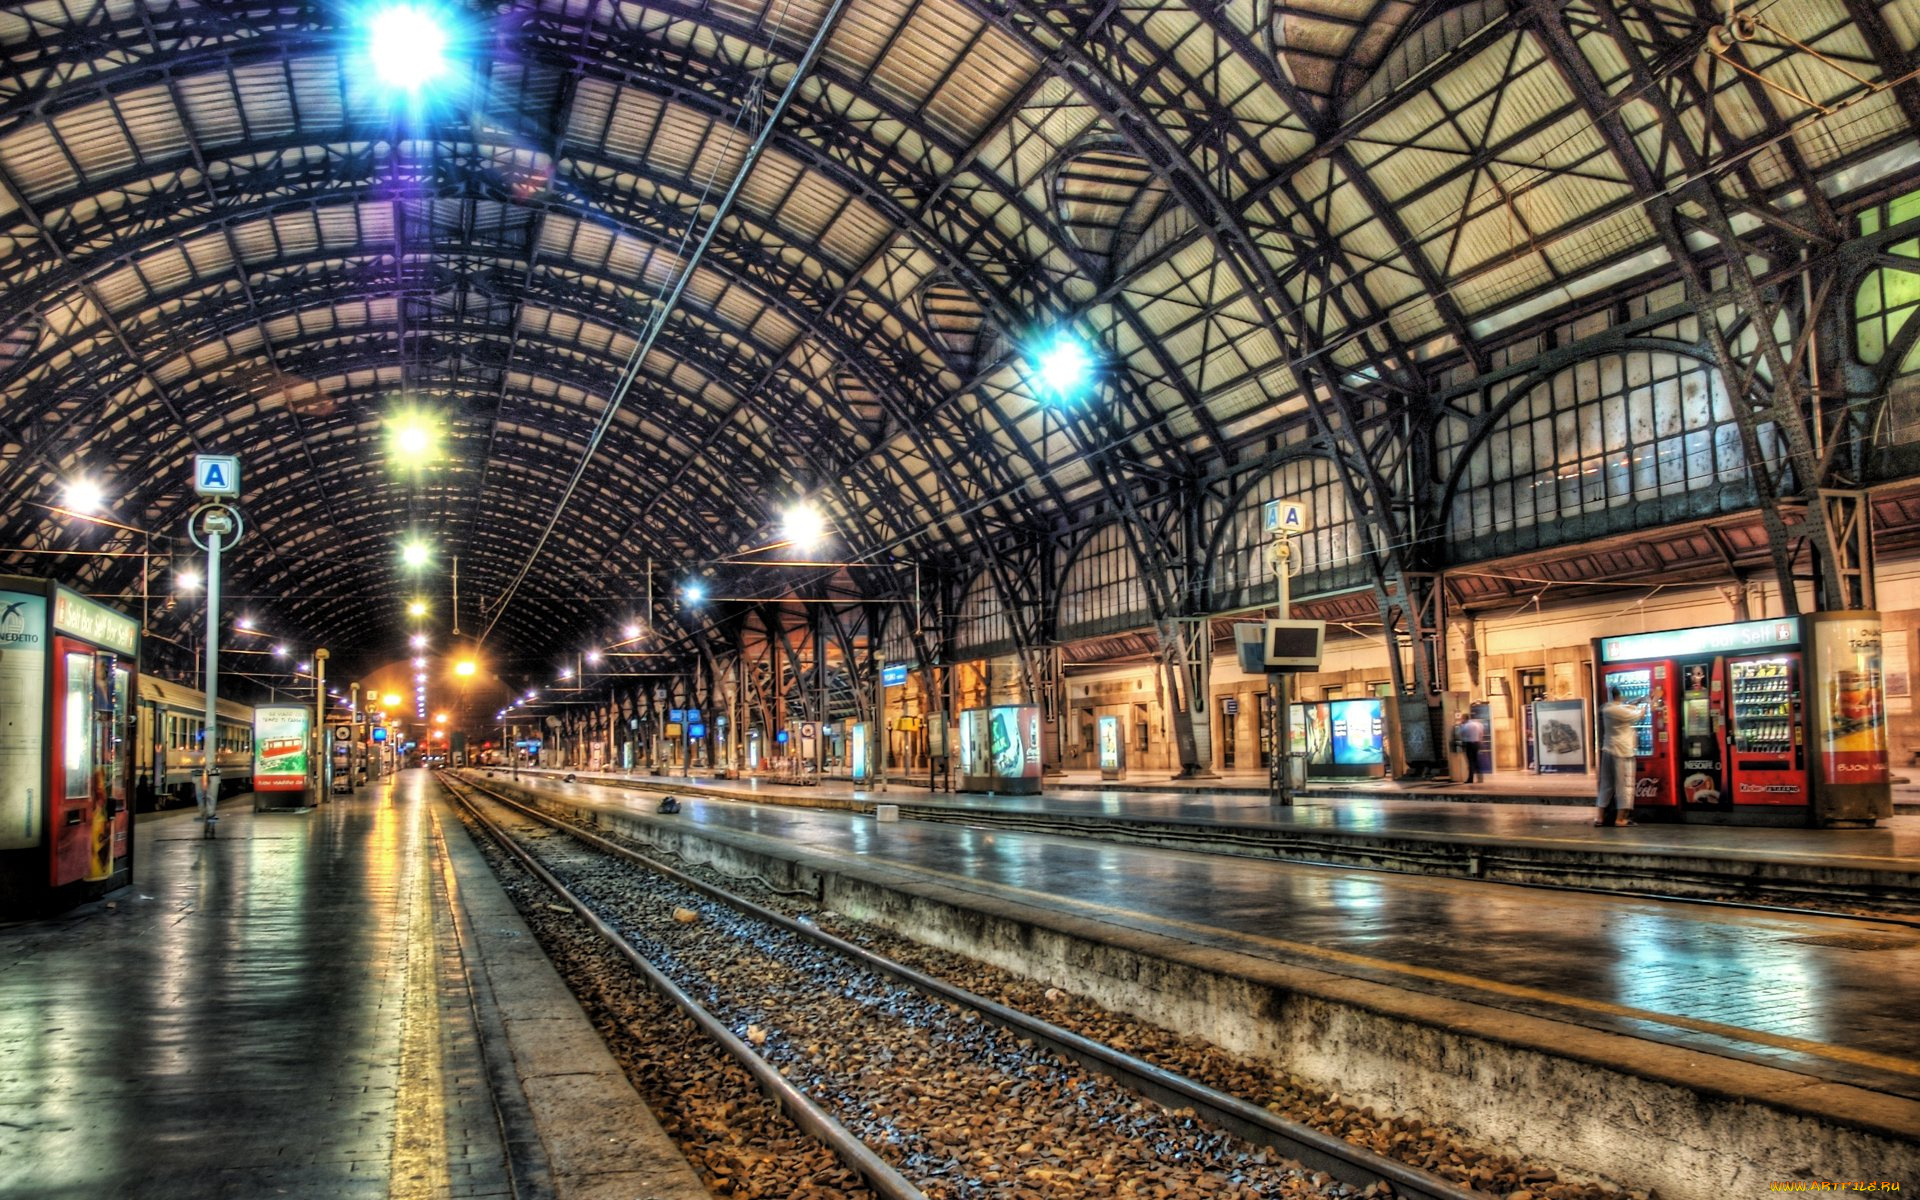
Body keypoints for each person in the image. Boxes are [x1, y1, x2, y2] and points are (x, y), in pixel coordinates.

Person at [1596, 685, 1648, 827]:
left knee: (1606, 785)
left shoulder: (1607, 708)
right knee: (1624, 786)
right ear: (1620, 695)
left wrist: (1634, 703)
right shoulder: (1620, 711)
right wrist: (1647, 704)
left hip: (1607, 751)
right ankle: (1620, 819)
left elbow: (1624, 708)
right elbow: (1640, 715)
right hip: (1623, 753)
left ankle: (1599, 817)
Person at [1454, 710, 1486, 784]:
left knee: (1471, 762)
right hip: (1477, 743)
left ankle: (1470, 779)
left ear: (1465, 719)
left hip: (1469, 744)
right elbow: (1481, 734)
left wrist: (1460, 725)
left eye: (1462, 718)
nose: (1461, 720)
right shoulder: (1478, 724)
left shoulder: (1465, 726)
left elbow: (1460, 734)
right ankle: (1480, 779)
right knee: (1476, 760)